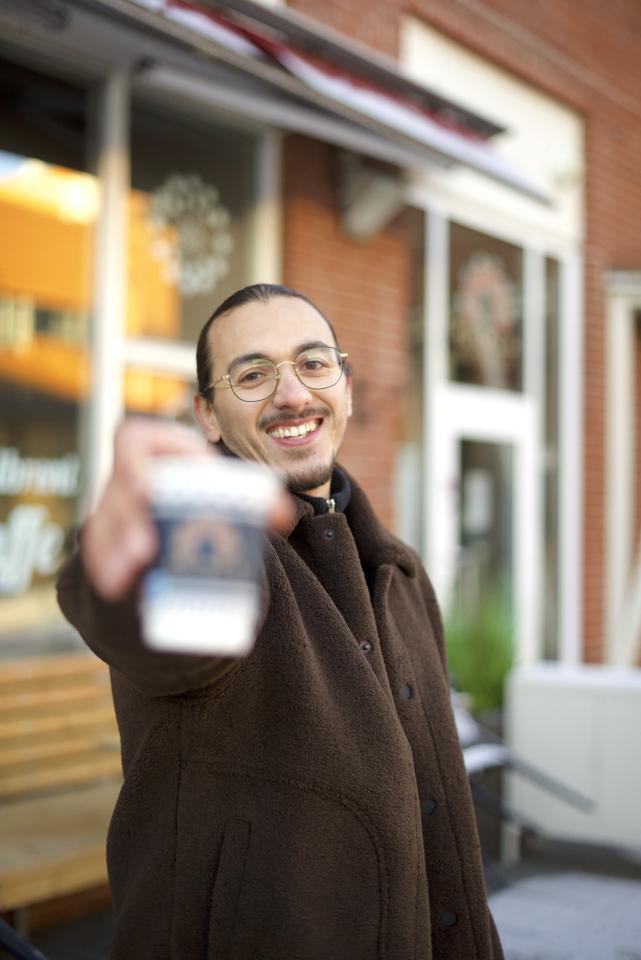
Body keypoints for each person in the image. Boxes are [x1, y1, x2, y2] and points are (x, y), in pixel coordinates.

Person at [57, 283, 503, 960]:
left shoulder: (401, 573)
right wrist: (116, 560)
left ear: (345, 388)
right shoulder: (219, 550)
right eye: (253, 375)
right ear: (207, 416)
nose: (291, 394)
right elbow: (164, 631)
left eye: (313, 364)